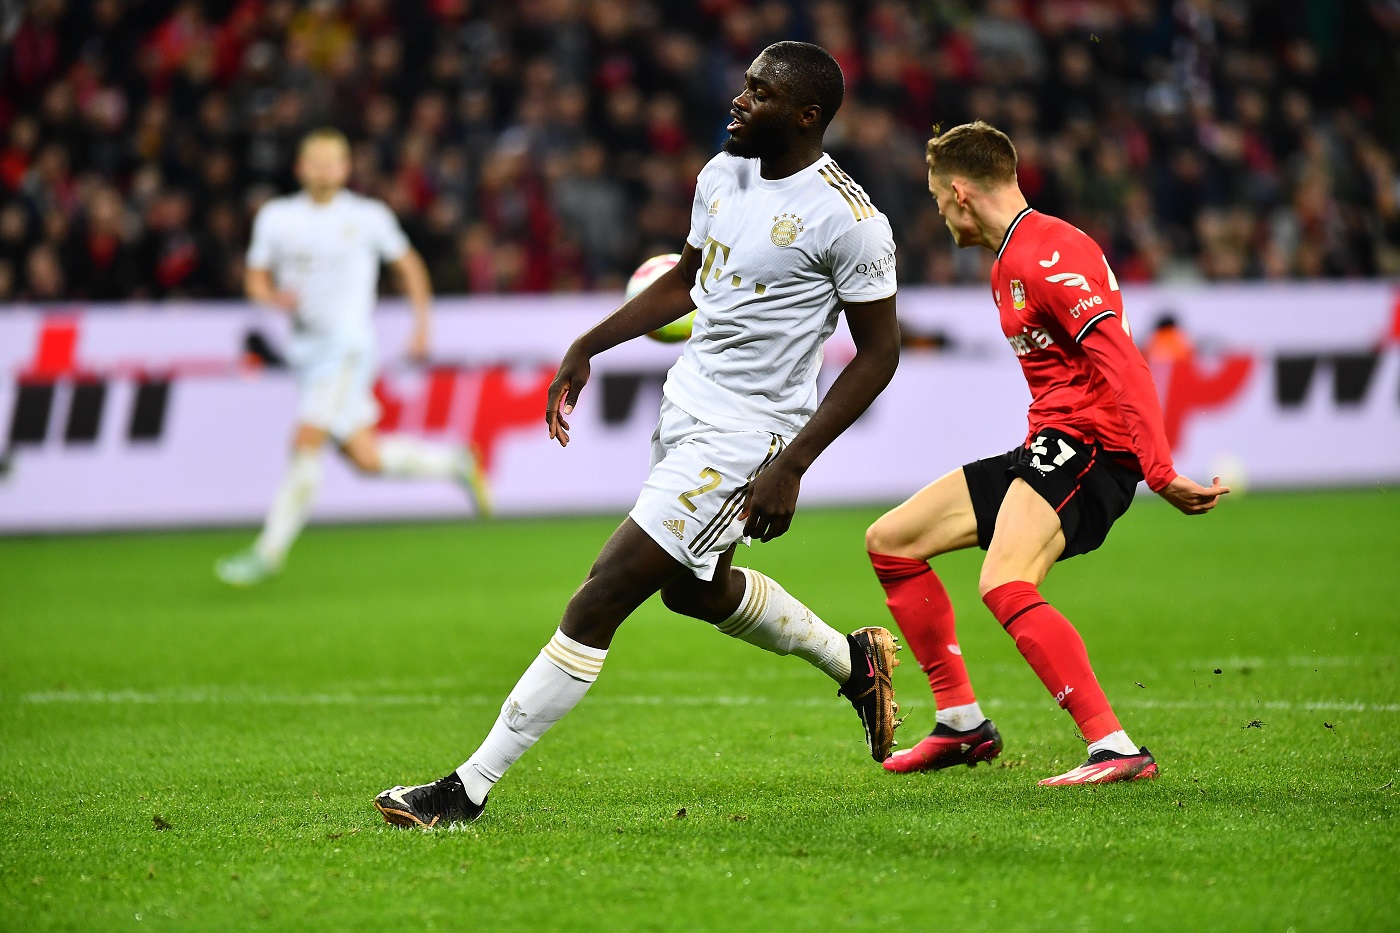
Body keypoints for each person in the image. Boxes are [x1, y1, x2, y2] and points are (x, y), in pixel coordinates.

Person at [376, 42, 904, 828]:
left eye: (759, 92)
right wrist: (588, 343)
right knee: (694, 590)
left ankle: (466, 789)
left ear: (807, 115)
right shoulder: (721, 174)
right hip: (686, 406)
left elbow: (880, 354)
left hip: (750, 435)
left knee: (605, 589)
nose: (739, 100)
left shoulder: (851, 220)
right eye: (744, 85)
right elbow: (686, 280)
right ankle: (852, 659)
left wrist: (792, 463)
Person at [865, 121, 1229, 786]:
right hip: (1050, 443)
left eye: (937, 199)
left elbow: (1124, 360)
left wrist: (1159, 469)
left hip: (1092, 448)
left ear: (960, 193)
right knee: (893, 542)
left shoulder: (1049, 253)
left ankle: (1114, 746)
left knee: (1004, 581)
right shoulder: (1008, 259)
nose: (938, 212)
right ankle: (961, 724)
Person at [215, 128, 489, 587]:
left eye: (333, 161)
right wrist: (273, 298)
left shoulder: (367, 216)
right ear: (300, 168)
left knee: (305, 440)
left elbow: (409, 266)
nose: (324, 169)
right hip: (306, 354)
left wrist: (422, 326)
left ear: (346, 168)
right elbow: (255, 280)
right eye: (315, 161)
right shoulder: (276, 217)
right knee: (366, 458)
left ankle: (268, 552)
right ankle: (454, 462)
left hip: (347, 349)